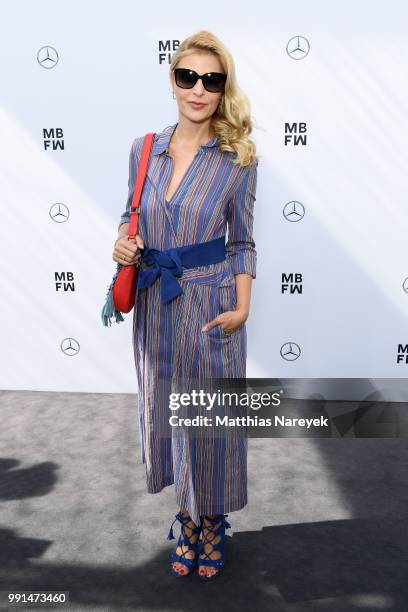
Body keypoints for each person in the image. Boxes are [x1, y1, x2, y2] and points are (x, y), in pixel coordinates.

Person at [113, 30, 259, 580]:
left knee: (211, 419)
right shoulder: (143, 148)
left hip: (210, 302)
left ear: (223, 90)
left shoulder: (236, 158)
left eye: (212, 80)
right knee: (167, 413)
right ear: (173, 81)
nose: (198, 89)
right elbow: (132, 217)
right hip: (156, 301)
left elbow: (242, 240)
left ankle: (212, 522)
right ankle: (186, 514)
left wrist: (242, 309)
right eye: (188, 77)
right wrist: (124, 243)